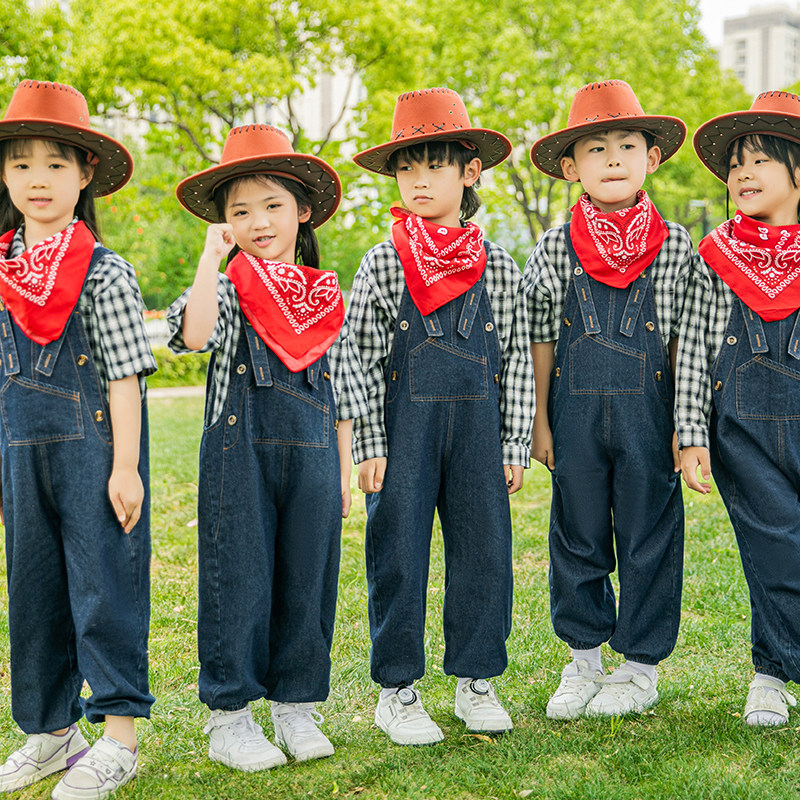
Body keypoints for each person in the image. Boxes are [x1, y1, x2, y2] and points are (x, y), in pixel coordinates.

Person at [167, 124, 366, 769]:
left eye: (272, 206)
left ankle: (297, 707)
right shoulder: (226, 289)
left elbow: (338, 389)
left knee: (308, 579)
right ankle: (230, 716)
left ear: (302, 212)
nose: (258, 222)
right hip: (238, 454)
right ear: (225, 223)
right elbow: (193, 337)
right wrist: (207, 257)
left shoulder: (324, 295)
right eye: (239, 211)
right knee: (239, 578)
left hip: (313, 451)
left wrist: (340, 471)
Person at [344, 87, 533, 745]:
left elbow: (513, 361)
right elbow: (358, 360)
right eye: (406, 168)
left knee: (485, 554)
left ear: (469, 171)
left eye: (434, 166)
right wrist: (368, 441)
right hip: (401, 436)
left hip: (480, 432)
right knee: (397, 555)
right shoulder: (381, 262)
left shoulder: (500, 268)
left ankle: (476, 680)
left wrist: (514, 439)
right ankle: (397, 690)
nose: (418, 181)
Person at [0, 80, 155, 798]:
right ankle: (52, 734)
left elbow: (125, 377)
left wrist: (125, 466)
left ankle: (118, 737)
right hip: (19, 454)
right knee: (33, 594)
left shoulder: (105, 272)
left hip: (95, 455)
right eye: (22, 162)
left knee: (104, 589)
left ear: (85, 174)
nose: (38, 178)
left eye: (56, 163)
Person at [524, 80, 691, 719]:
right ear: (573, 169)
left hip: (650, 414)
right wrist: (538, 418)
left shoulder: (675, 245)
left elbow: (685, 342)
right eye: (597, 148)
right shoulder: (553, 245)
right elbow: (540, 336)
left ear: (652, 158)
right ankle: (584, 661)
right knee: (577, 531)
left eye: (627, 144)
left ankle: (641, 666)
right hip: (572, 411)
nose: (613, 158)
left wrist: (685, 421)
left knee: (650, 531)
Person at [679, 90, 800, 726]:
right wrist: (691, 431)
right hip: (743, 429)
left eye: (758, 161)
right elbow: (695, 351)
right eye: (734, 167)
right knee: (776, 548)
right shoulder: (716, 260)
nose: (741, 175)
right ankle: (771, 677)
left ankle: (773, 667)